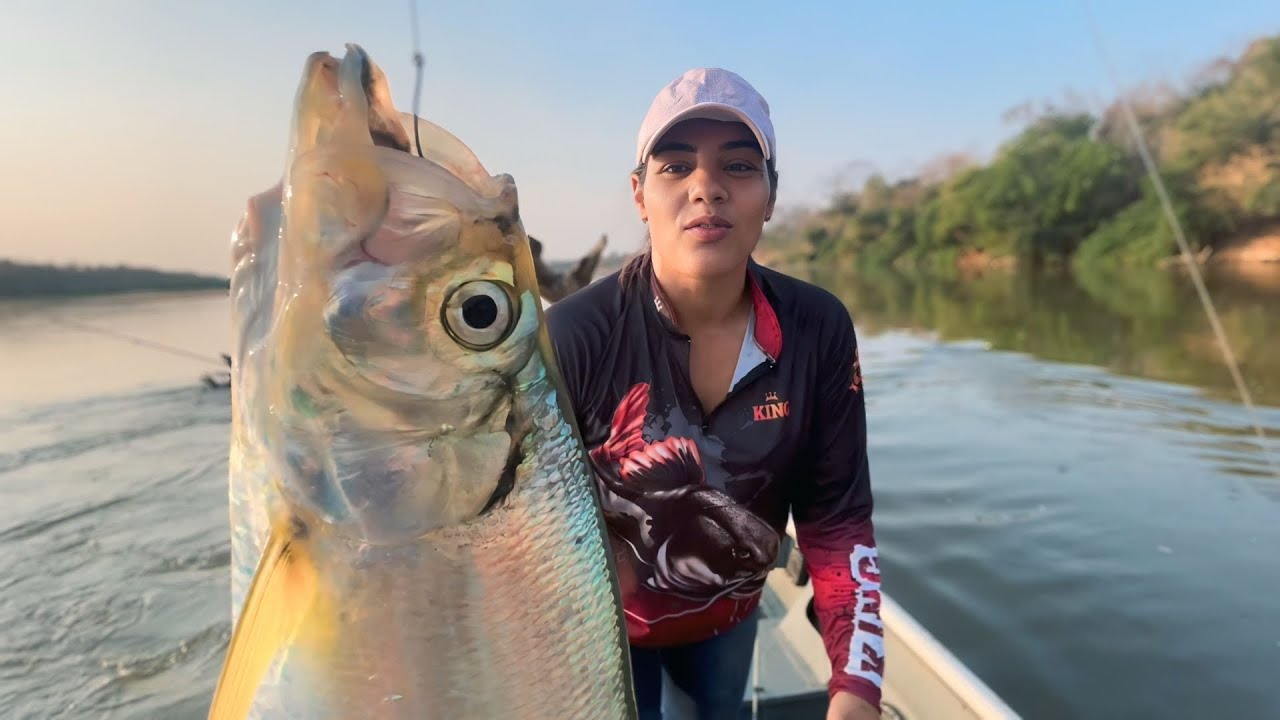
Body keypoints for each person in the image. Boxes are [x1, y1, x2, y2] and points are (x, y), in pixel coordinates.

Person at [546, 67, 883, 720]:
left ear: (770, 195)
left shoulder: (818, 328)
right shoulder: (573, 335)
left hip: (727, 616)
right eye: (675, 167)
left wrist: (856, 686)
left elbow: (837, 520)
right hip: (598, 630)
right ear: (640, 195)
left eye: (738, 165)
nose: (706, 187)